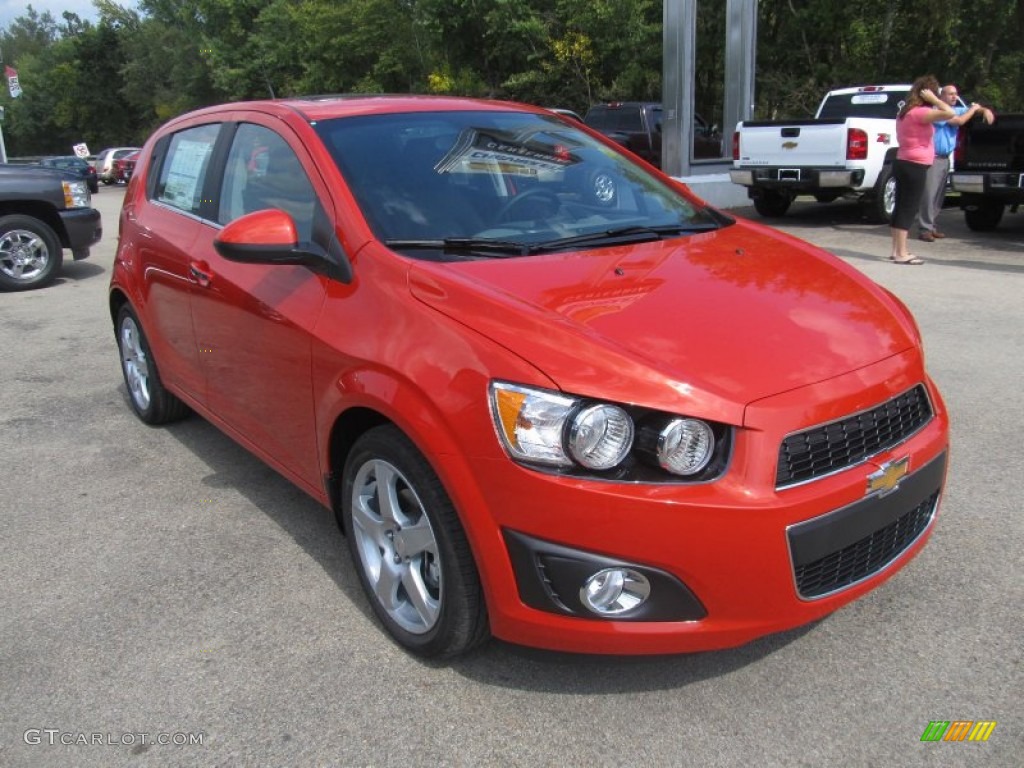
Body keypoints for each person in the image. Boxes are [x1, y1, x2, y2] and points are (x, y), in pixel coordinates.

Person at [889, 76, 955, 265]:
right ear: (928, 94)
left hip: (902, 162)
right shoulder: (921, 113)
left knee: (900, 206)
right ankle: (902, 253)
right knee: (908, 208)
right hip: (914, 165)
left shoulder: (905, 112)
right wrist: (936, 101)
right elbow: (949, 113)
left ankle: (895, 250)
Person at [916, 84, 995, 241]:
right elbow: (959, 121)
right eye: (950, 94)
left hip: (945, 158)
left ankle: (932, 227)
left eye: (955, 94)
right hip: (933, 157)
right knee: (929, 194)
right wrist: (973, 109)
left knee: (938, 196)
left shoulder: (955, 109)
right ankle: (924, 228)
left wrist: (985, 110)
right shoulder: (938, 112)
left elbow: (971, 110)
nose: (954, 97)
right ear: (941, 97)